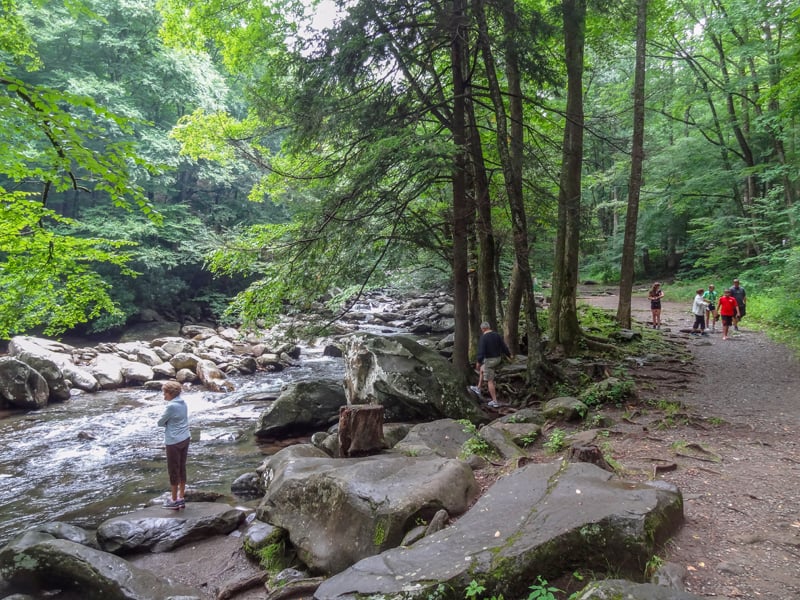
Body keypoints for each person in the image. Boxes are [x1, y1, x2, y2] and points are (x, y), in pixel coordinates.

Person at [158, 380, 190, 510]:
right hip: (185, 437)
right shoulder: (183, 403)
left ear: (171, 393)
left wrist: (167, 423)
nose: (164, 396)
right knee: (182, 467)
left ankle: (174, 500)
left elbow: (160, 422)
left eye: (165, 393)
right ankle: (181, 496)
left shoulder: (170, 406)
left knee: (173, 469)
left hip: (173, 441)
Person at [475, 322, 511, 409]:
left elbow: (481, 352)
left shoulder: (483, 338)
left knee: (490, 380)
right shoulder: (497, 335)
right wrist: (509, 355)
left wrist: (478, 362)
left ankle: (495, 401)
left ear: (483, 329)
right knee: (483, 369)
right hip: (497, 359)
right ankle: (478, 388)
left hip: (490, 360)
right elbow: (503, 346)